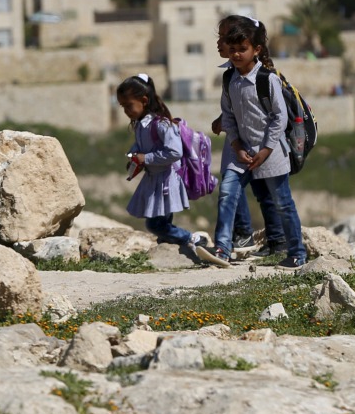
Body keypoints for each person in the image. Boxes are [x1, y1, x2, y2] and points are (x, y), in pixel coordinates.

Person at [198, 16, 307, 269]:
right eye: (232, 49)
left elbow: (279, 118)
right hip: (241, 153)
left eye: (242, 49)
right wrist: (236, 145)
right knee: (227, 193)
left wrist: (266, 150)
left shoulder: (267, 80)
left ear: (256, 50)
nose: (235, 54)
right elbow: (228, 114)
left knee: (283, 203)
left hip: (271, 154)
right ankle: (223, 249)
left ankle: (296, 252)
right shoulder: (229, 79)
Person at [210, 16, 284, 256]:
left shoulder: (263, 76)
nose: (220, 43)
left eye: (224, 37)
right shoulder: (230, 73)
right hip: (239, 141)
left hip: (262, 143)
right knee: (233, 188)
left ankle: (269, 239)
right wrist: (226, 121)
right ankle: (237, 237)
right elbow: (234, 104)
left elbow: (269, 111)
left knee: (266, 192)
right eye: (221, 38)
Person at [116, 73, 205, 249]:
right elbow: (140, 145)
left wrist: (146, 158)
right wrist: (134, 157)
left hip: (166, 179)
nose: (126, 111)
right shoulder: (141, 124)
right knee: (161, 221)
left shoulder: (162, 124)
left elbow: (174, 152)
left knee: (154, 225)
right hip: (154, 179)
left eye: (128, 105)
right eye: (122, 107)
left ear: (144, 100)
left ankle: (191, 239)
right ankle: (170, 243)